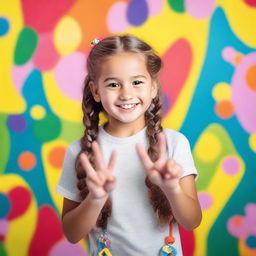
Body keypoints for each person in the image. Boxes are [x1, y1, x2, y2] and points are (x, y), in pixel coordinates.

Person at [56, 34, 202, 256]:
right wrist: (95, 199)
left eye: (137, 82)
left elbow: (192, 221)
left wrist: (171, 188)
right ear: (96, 91)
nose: (126, 94)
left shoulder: (173, 144)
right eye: (113, 84)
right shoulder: (80, 152)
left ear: (153, 87)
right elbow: (72, 234)